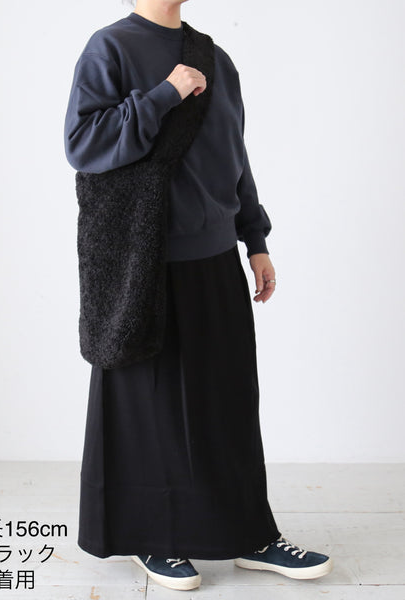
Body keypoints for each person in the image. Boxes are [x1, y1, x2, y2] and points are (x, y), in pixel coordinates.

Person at [63, 0, 333, 591]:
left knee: (228, 403)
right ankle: (150, 538)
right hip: (142, 259)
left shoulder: (214, 58)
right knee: (146, 404)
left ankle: (251, 535)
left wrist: (255, 239)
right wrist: (165, 93)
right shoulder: (110, 48)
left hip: (214, 254)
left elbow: (233, 153)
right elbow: (83, 144)